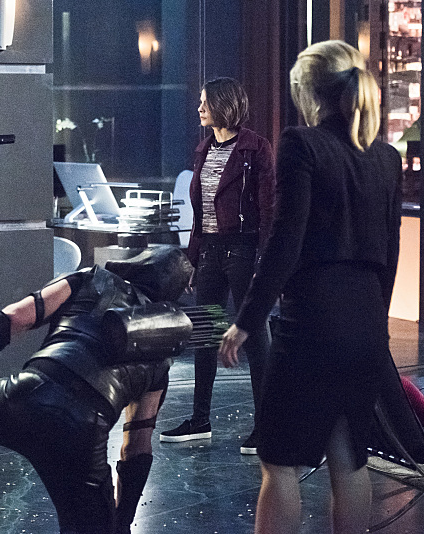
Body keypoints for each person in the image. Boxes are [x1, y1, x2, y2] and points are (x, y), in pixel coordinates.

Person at [218, 40, 402, 534]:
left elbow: (285, 242)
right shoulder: (387, 157)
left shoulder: (301, 144)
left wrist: (246, 321)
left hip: (313, 325)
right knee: (349, 458)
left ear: (307, 91)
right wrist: (376, 325)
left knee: (278, 460)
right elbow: (391, 255)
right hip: (367, 326)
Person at [0, 246, 201, 534]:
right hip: (85, 434)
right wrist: (119, 523)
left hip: (28, 395)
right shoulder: (161, 350)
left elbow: (16, 317)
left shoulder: (89, 278)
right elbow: (136, 446)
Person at [160, 77, 275, 455]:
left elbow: (269, 210)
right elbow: (200, 214)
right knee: (205, 334)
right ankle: (199, 420)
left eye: (205, 102)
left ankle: (266, 427)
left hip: (243, 251)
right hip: (210, 251)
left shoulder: (256, 148)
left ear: (224, 105)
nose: (199, 109)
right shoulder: (204, 149)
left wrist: (263, 260)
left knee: (254, 336)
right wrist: (192, 259)